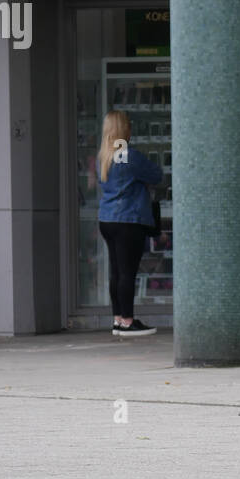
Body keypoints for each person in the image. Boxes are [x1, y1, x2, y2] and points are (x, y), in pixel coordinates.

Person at [97, 110, 163, 336]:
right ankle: (128, 321)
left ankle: (117, 319)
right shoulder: (130, 156)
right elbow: (156, 175)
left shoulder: (103, 156)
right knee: (128, 272)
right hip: (128, 219)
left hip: (107, 219)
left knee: (116, 272)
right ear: (124, 130)